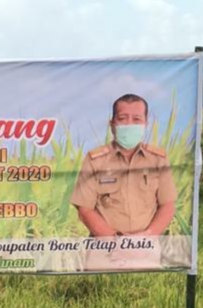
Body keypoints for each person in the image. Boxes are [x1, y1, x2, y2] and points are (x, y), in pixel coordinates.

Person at [71, 94, 177, 270]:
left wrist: (146, 239)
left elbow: (167, 205)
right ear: (112, 124)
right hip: (105, 252)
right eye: (122, 118)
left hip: (146, 250)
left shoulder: (158, 159)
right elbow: (84, 209)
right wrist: (116, 243)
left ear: (146, 123)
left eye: (136, 119)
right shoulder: (95, 160)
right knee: (98, 288)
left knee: (147, 287)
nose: (129, 124)